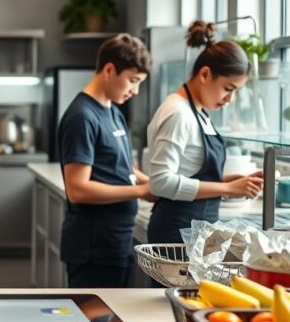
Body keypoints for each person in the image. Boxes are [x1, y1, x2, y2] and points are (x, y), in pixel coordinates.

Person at [145, 20, 264, 244]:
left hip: (198, 229)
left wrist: (238, 182)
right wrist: (227, 187)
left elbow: (192, 172)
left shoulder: (198, 112)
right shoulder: (178, 113)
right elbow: (160, 182)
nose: (231, 99)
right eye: (228, 89)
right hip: (175, 231)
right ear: (205, 74)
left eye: (236, 91)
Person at [58, 34, 155, 288]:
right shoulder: (82, 117)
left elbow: (124, 167)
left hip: (116, 240)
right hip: (93, 248)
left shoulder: (112, 111)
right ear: (110, 70)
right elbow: (77, 189)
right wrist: (141, 191)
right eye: (133, 81)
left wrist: (158, 184)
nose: (135, 91)